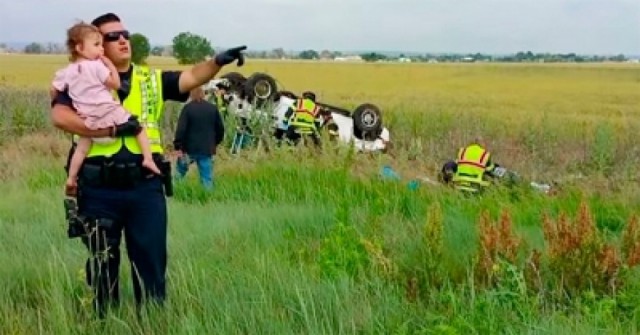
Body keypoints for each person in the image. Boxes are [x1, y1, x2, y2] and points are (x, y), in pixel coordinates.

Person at [50, 12, 246, 317]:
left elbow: (191, 77)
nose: (122, 40)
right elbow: (59, 117)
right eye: (112, 37)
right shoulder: (80, 76)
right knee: (102, 263)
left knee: (151, 264)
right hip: (99, 188)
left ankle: (152, 322)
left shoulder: (150, 79)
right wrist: (110, 130)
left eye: (125, 34)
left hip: (145, 186)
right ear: (97, 45)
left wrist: (217, 61)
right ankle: (103, 321)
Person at [52, 22, 161, 196]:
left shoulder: (67, 71)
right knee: (138, 127)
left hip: (88, 120)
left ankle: (71, 178)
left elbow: (54, 90)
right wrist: (109, 65)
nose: (101, 50)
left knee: (81, 149)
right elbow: (115, 84)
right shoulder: (96, 66)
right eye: (97, 45)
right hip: (108, 112)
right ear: (80, 48)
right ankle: (148, 159)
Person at [173, 86, 225, 189]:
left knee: (179, 174)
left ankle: (173, 193)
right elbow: (220, 129)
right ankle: (206, 199)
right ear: (203, 94)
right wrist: (214, 143)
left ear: (191, 95)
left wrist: (178, 146)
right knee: (206, 178)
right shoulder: (212, 109)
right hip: (206, 149)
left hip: (188, 149)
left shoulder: (187, 109)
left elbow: (181, 129)